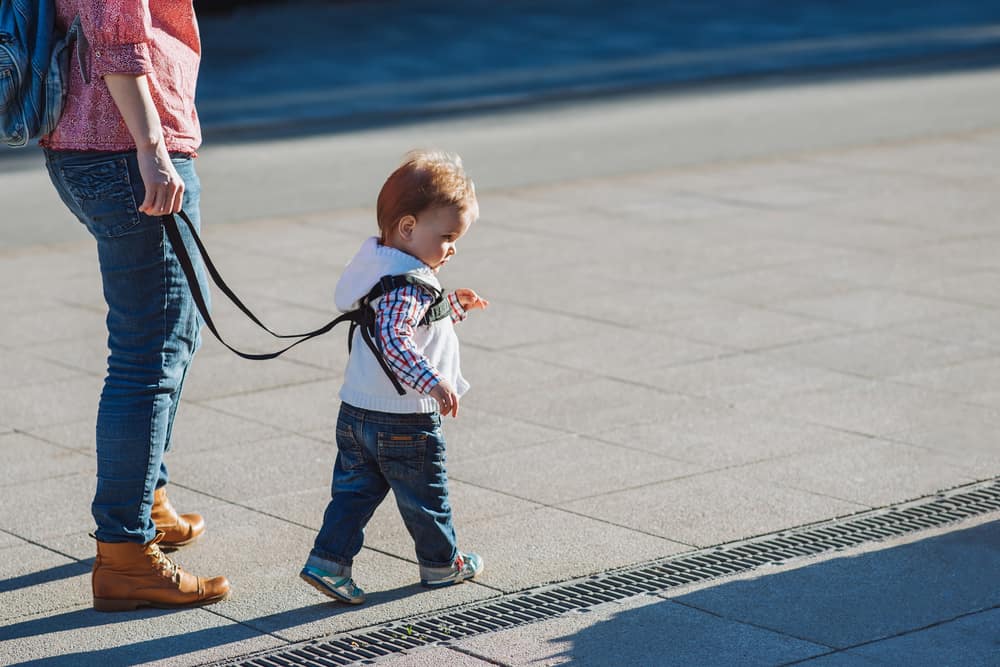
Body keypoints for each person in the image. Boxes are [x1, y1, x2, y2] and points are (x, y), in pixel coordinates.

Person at [40, 1, 229, 611]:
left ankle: (147, 498)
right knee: (148, 356)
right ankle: (125, 554)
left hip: (93, 141)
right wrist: (151, 146)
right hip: (127, 147)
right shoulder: (138, 147)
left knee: (168, 338)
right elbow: (115, 34)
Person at [300, 150, 488, 604]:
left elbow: (411, 326)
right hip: (403, 418)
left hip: (358, 410)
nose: (452, 247)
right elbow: (395, 337)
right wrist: (432, 381)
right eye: (445, 236)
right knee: (426, 496)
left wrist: (453, 308)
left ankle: (328, 562)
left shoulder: (379, 266)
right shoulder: (408, 283)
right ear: (408, 227)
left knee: (354, 492)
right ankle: (442, 565)